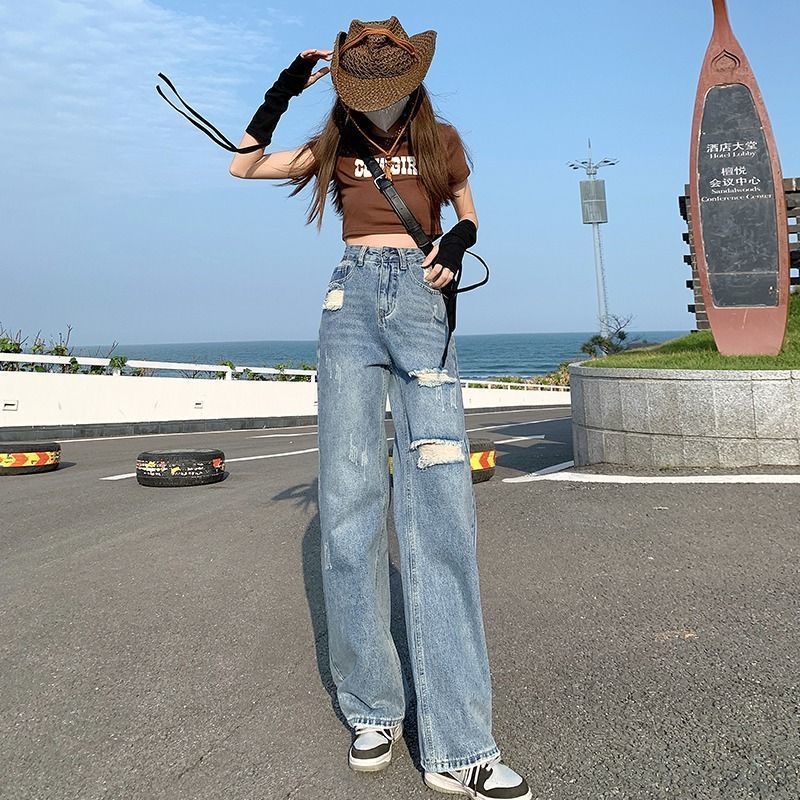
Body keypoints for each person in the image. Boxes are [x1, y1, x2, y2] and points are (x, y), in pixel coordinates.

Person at [228, 17, 531, 800]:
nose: (376, 99)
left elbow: (468, 213)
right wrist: (282, 89)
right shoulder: (336, 138)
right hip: (350, 304)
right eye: (361, 87)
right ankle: (372, 707)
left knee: (442, 512)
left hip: (421, 305)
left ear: (410, 78)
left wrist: (455, 246)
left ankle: (461, 745)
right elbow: (243, 165)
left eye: (384, 88)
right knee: (350, 505)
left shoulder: (440, 140)